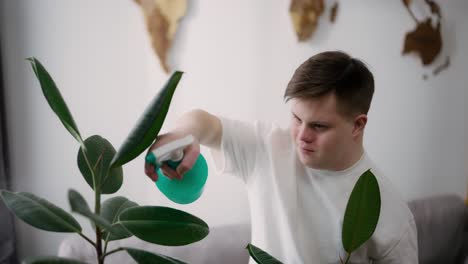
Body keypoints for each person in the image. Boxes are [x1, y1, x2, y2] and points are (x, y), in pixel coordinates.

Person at [144, 51, 418, 263]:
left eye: (319, 126)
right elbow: (204, 122)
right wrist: (185, 135)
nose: (301, 135)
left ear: (358, 125)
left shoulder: (389, 213)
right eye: (297, 118)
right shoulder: (269, 149)